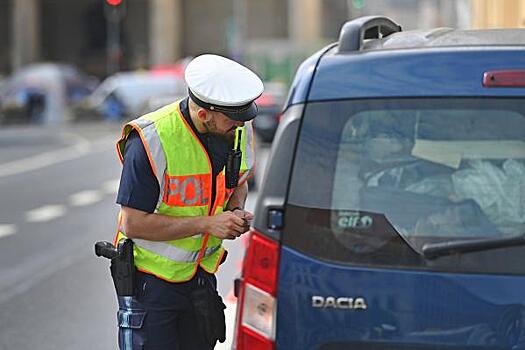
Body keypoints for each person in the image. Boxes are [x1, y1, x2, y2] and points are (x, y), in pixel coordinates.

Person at [113, 54, 263, 349]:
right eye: (231, 120)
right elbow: (133, 223)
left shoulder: (238, 128)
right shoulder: (151, 140)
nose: (240, 126)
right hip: (151, 284)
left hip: (201, 277)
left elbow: (237, 184)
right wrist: (209, 224)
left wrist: (234, 211)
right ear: (204, 114)